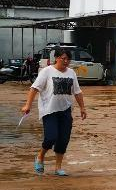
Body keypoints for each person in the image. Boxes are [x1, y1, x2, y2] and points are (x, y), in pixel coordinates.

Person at [20, 47, 87, 176]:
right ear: (56, 58)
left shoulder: (71, 73)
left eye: (68, 59)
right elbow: (34, 88)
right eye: (63, 58)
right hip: (49, 110)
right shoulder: (47, 71)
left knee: (63, 139)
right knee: (51, 137)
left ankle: (58, 168)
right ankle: (40, 157)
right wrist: (27, 105)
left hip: (66, 110)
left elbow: (77, 92)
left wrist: (82, 108)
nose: (66, 61)